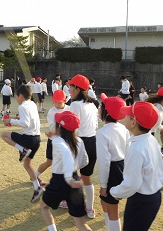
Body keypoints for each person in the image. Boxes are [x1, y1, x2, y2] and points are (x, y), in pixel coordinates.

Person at [110, 101, 163, 231]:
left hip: (141, 201)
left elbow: (131, 184)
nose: (124, 117)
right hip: (154, 196)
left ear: (133, 122)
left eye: (128, 115)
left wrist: (114, 192)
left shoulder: (135, 149)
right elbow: (162, 161)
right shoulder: (150, 139)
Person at [40, 111, 92, 231]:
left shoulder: (58, 142)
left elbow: (66, 153)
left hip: (60, 181)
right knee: (80, 223)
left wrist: (68, 177)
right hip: (75, 180)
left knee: (44, 206)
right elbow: (85, 161)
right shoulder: (79, 141)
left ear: (60, 127)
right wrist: (73, 173)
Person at [1, 84, 44, 203]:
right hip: (37, 139)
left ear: (21, 96)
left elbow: (25, 123)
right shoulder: (32, 104)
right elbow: (29, 120)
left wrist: (10, 120)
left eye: (16, 96)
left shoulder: (23, 106)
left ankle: (22, 149)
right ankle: (37, 188)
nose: (16, 99)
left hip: (28, 139)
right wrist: (16, 119)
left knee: (4, 134)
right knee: (27, 164)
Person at [96, 93, 130, 231]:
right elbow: (128, 151)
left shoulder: (102, 133)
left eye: (101, 106)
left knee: (112, 208)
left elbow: (104, 163)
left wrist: (103, 185)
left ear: (106, 112)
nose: (98, 109)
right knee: (106, 203)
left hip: (112, 170)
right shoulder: (123, 128)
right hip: (122, 167)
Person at [67, 74, 98, 219]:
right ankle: (90, 208)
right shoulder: (92, 103)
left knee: (70, 173)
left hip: (80, 142)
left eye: (71, 87)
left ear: (78, 89)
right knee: (86, 177)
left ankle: (69, 202)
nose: (69, 90)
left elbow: (73, 127)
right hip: (93, 141)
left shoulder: (75, 104)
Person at [36, 90, 70, 209]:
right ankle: (34, 176)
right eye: (55, 102)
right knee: (49, 161)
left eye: (59, 102)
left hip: (66, 141)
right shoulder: (51, 111)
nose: (56, 105)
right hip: (54, 140)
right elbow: (53, 126)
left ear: (64, 101)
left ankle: (64, 193)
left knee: (63, 165)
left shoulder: (69, 109)